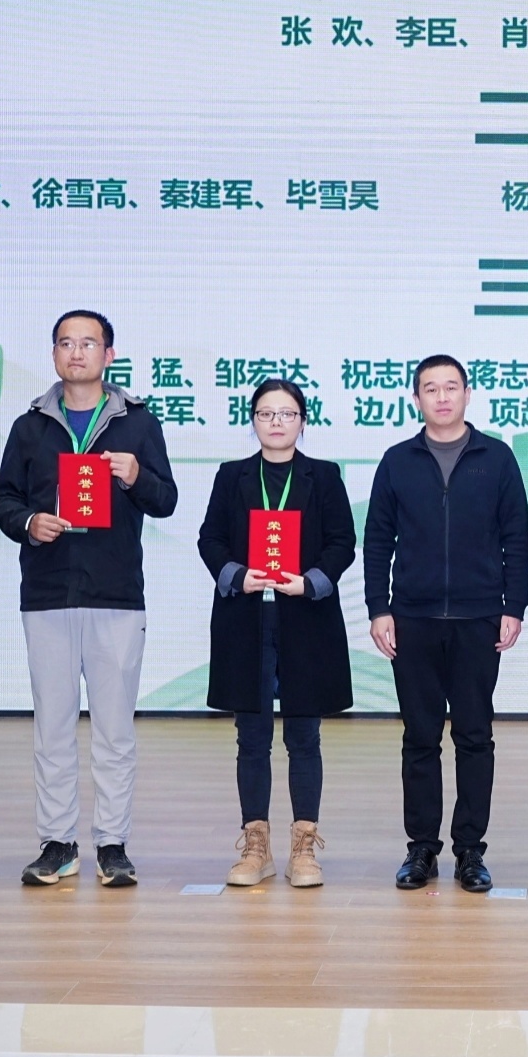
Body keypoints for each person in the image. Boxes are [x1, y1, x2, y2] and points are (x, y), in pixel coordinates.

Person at [0, 310, 178, 889]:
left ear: (109, 354)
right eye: (66, 343)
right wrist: (30, 523)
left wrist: (136, 475)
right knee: (51, 726)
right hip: (48, 593)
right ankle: (57, 843)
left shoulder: (138, 423)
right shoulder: (30, 427)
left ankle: (113, 844)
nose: (77, 353)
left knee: (115, 729)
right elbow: (3, 499)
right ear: (53, 355)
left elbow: (166, 500)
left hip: (116, 595)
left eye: (88, 343)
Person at [363, 355, 528, 894]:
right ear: (416, 399)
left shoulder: (496, 458)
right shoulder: (398, 460)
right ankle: (421, 848)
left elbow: (517, 537)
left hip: (479, 618)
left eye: (451, 387)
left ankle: (470, 851)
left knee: (475, 735)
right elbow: (377, 540)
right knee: (420, 736)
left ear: (467, 394)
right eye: (430, 389)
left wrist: (513, 606)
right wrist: (379, 608)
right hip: (412, 618)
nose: (441, 397)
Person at [196, 378, 356, 888]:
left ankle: (304, 848)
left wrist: (309, 582)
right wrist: (237, 575)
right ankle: (256, 847)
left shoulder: (324, 475)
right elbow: (210, 538)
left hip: (306, 617)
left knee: (304, 736)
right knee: (252, 737)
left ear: (303, 421)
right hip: (246, 618)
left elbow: (342, 542)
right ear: (254, 421)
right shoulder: (232, 475)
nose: (277, 423)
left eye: (287, 414)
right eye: (266, 414)